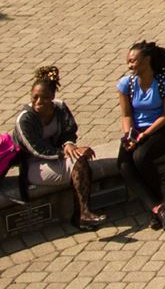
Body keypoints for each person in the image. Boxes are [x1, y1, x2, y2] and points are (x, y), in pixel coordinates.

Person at [14, 64, 102, 228]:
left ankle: (83, 213)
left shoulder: (60, 108)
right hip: (35, 165)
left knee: (80, 161)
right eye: (35, 97)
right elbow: (36, 150)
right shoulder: (24, 120)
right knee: (78, 164)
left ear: (53, 96)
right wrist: (65, 153)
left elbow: (69, 131)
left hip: (58, 157)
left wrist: (69, 144)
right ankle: (81, 214)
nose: (39, 102)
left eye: (45, 97)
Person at [115, 40, 165, 231]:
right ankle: (157, 207)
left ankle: (157, 207)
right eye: (128, 61)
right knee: (124, 164)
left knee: (141, 157)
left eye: (133, 61)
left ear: (147, 60)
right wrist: (129, 135)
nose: (130, 65)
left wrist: (145, 134)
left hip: (161, 130)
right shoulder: (126, 84)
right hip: (135, 131)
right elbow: (126, 114)